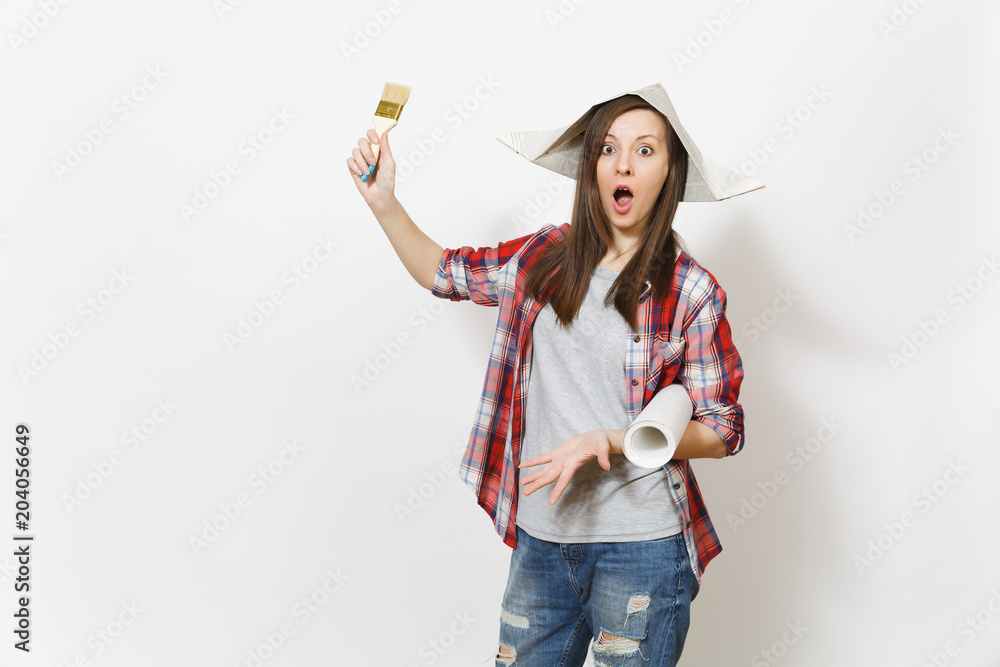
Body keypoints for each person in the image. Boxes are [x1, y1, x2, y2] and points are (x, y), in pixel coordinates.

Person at [348, 84, 757, 667]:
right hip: (541, 544)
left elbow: (722, 430)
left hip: (640, 550)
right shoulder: (543, 257)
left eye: (645, 151)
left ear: (670, 173)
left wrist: (612, 441)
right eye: (608, 148)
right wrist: (383, 201)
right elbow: (444, 272)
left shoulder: (691, 290)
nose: (623, 163)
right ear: (590, 164)